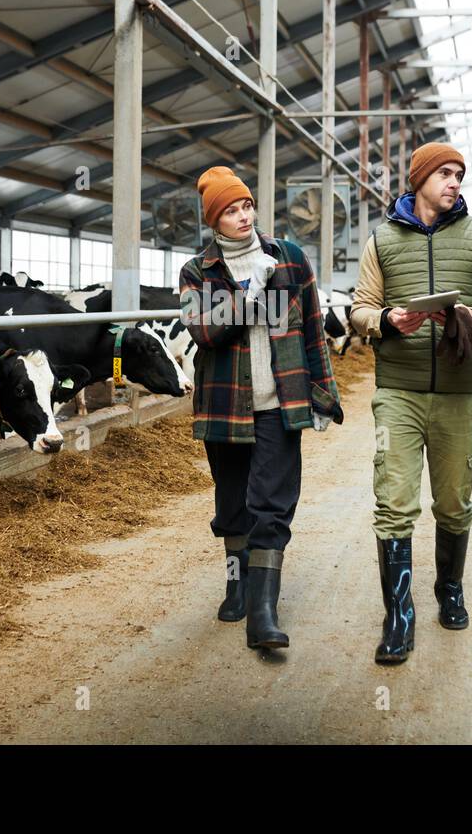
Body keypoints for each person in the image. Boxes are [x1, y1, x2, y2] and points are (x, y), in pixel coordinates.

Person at [350, 143, 472, 664]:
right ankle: (399, 615)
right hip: (397, 390)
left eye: (460, 175)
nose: (454, 182)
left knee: (453, 500)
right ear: (419, 178)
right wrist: (387, 321)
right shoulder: (382, 240)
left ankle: (451, 588)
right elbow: (359, 308)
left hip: (459, 394)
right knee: (394, 502)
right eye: (445, 173)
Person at [178, 166, 344, 651]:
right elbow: (202, 330)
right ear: (214, 220)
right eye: (231, 210)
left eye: (247, 205)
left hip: (278, 402)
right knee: (232, 505)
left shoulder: (288, 258)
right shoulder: (198, 270)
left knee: (271, 504)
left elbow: (313, 328)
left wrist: (323, 394)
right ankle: (237, 584)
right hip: (225, 406)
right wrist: (245, 297)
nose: (243, 215)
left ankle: (262, 611)